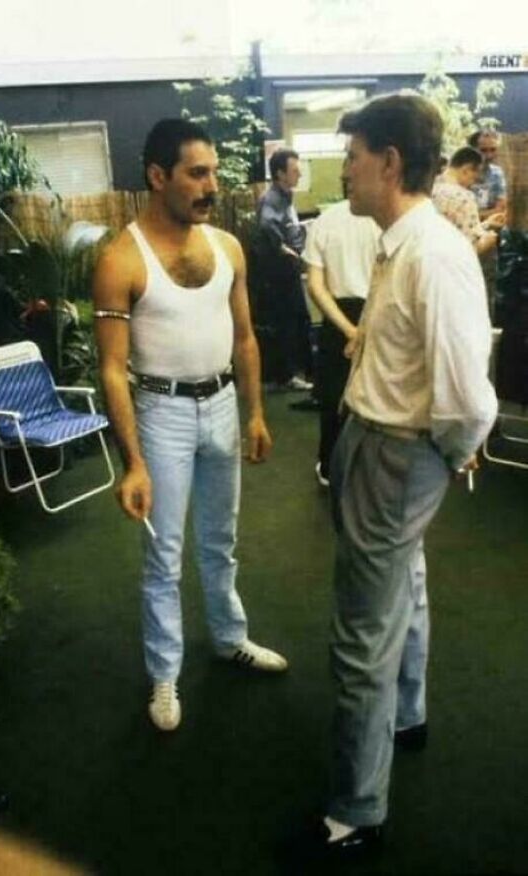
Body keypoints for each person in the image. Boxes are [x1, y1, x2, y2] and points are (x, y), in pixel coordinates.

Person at [298, 94, 497, 861]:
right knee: (403, 591)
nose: (342, 168)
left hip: (395, 455)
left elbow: (468, 398)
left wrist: (440, 459)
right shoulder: (399, 242)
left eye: (351, 157)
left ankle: (356, 812)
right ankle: (408, 717)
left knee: (360, 638)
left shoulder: (432, 252)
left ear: (387, 162)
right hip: (376, 443)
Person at [93, 118, 287, 733]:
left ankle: (231, 637)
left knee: (219, 540)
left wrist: (255, 412)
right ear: (158, 176)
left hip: (224, 406)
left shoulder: (227, 247)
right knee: (164, 555)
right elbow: (112, 370)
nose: (211, 184)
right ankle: (165, 675)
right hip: (161, 413)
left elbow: (246, 337)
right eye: (197, 173)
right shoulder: (121, 259)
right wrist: (134, 462)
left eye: (213, 171)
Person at [302, 198, 378, 487]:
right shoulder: (385, 219)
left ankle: (331, 466)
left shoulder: (326, 221)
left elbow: (315, 286)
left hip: (337, 319)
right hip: (375, 313)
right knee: (376, 394)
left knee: (333, 397)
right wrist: (361, 329)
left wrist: (347, 330)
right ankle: (366, 468)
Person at [255, 148, 313, 392]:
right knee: (286, 322)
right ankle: (285, 376)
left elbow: (288, 226)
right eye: (294, 170)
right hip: (278, 274)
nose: (299, 173)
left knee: (299, 320)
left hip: (288, 270)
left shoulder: (286, 196)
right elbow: (268, 227)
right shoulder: (271, 199)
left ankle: (296, 372)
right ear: (280, 174)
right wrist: (286, 251)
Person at [432, 146, 505, 254]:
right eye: (474, 178)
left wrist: (487, 224)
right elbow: (470, 249)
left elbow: (458, 227)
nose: (472, 184)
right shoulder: (464, 197)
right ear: (466, 170)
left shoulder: (430, 187)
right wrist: (489, 239)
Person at [468, 129, 508, 220]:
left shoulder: (497, 173)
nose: (489, 155)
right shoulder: (461, 173)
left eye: (493, 149)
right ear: (472, 150)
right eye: (483, 150)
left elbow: (501, 208)